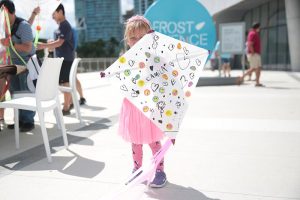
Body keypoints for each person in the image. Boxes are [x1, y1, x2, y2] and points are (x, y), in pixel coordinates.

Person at [118, 15, 168, 188]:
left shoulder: (154, 57)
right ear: (128, 39)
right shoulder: (126, 58)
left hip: (149, 106)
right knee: (136, 140)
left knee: (153, 141)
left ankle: (160, 170)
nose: (137, 41)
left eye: (142, 37)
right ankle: (137, 168)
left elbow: (162, 78)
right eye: (133, 37)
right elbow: (121, 78)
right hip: (132, 105)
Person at [0, 0, 36, 132]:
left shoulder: (23, 26)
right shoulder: (4, 27)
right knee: (14, 92)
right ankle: (19, 119)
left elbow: (28, 47)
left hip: (26, 62)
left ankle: (28, 120)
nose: (2, 18)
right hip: (13, 64)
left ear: (11, 12)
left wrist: (11, 44)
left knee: (26, 91)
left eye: (4, 14)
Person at [37, 3, 75, 115]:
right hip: (61, 58)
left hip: (66, 59)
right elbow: (58, 43)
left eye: (54, 14)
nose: (52, 17)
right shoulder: (61, 26)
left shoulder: (65, 25)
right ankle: (70, 101)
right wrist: (49, 45)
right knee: (61, 83)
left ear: (60, 12)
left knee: (64, 83)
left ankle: (67, 107)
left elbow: (59, 42)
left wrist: (42, 45)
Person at [238, 22, 264, 87]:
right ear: (257, 27)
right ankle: (241, 78)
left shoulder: (254, 33)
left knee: (258, 68)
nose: (260, 29)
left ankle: (257, 82)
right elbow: (250, 44)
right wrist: (252, 52)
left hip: (256, 54)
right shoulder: (253, 33)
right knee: (254, 68)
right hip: (254, 54)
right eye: (259, 27)